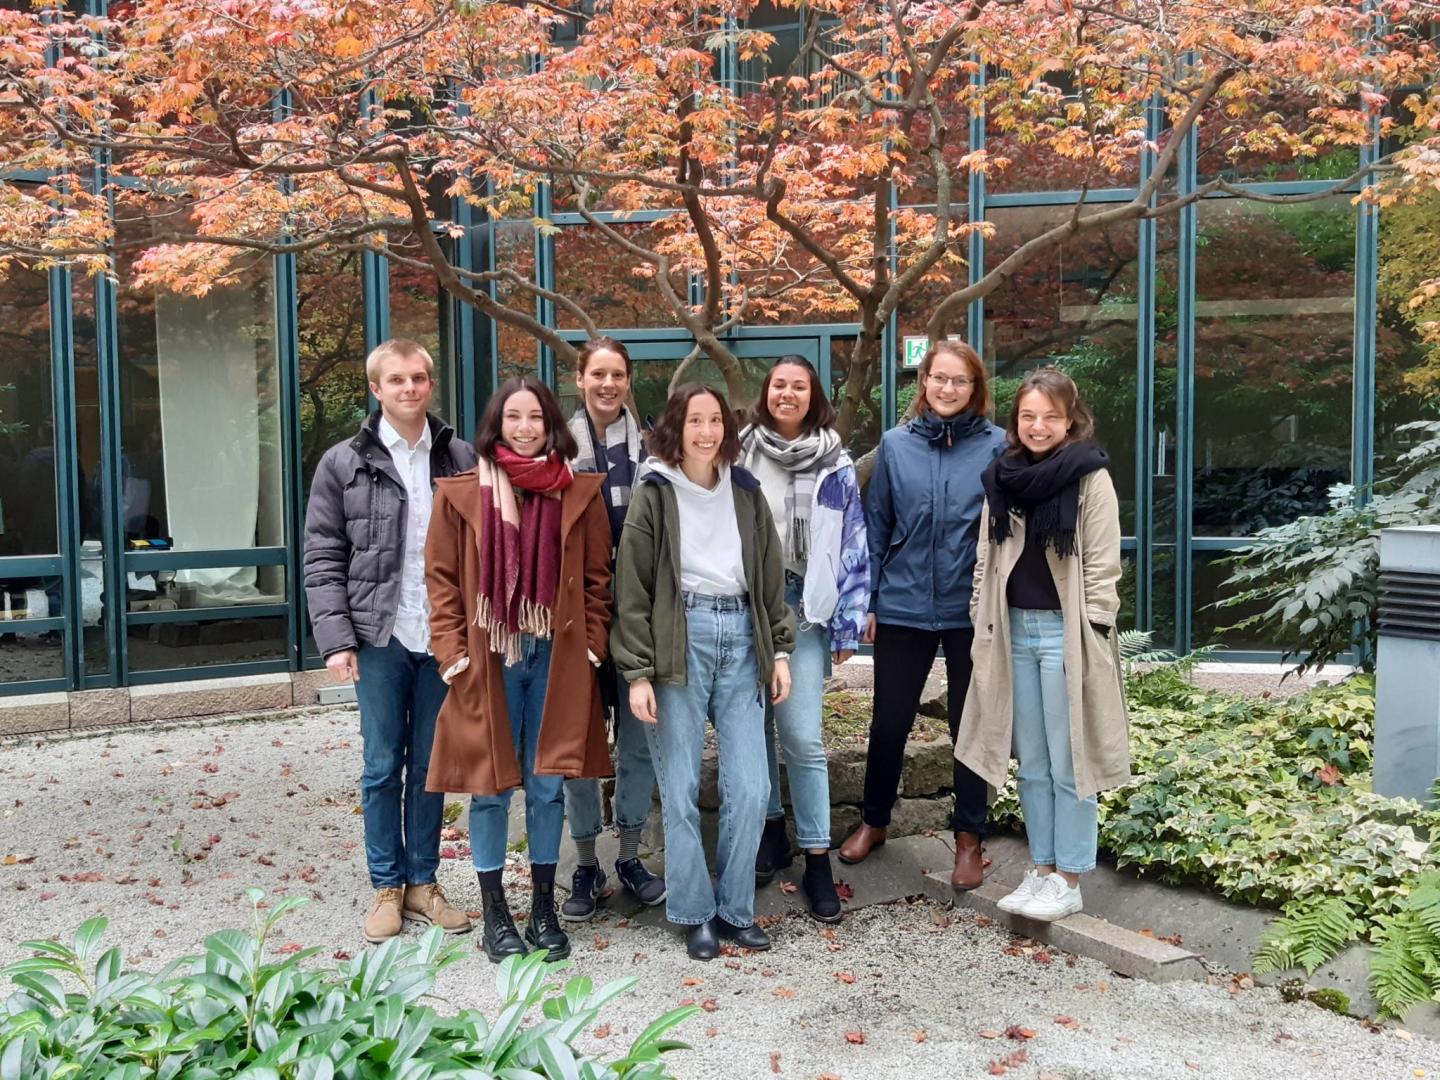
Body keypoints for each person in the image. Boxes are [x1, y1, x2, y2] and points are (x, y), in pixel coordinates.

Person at [423, 377, 615, 963]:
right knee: (488, 788)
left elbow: (599, 581)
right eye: (514, 417)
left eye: (536, 417)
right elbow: (442, 581)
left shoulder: (580, 492)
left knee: (548, 782)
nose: (526, 427)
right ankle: (494, 914)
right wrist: (452, 655)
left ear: (552, 424)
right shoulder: (461, 494)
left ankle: (542, 906)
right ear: (497, 425)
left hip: (556, 658)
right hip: (490, 656)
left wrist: (591, 646)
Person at [613, 384, 796, 960]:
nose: (707, 431)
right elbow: (633, 588)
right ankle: (694, 911)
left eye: (715, 420)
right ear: (677, 426)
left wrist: (781, 651)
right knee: (681, 784)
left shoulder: (745, 489)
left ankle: (735, 909)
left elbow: (769, 577)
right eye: (695, 420)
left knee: (752, 785)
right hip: (678, 640)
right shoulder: (655, 490)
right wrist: (638, 672)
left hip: (742, 637)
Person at [303, 338, 476, 944]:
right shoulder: (342, 463)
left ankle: (423, 883)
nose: (410, 389)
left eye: (419, 378)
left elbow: (481, 549)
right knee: (382, 765)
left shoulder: (459, 456)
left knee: (430, 766)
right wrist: (335, 639)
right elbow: (322, 556)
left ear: (431, 384)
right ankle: (386, 885)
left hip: (442, 635)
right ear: (376, 389)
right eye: (397, 380)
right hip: (378, 635)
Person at [956, 368, 1129, 921]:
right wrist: (979, 614)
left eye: (1050, 416)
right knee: (1029, 760)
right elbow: (987, 554)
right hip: (1011, 632)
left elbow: (1103, 563)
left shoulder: (1089, 476)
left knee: (1070, 758)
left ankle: (1071, 877)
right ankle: (1043, 867)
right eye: (1028, 415)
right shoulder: (1000, 476)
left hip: (1066, 635)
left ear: (1070, 419)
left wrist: (1096, 626)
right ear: (1016, 421)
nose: (1038, 425)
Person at [837, 340, 1007, 889]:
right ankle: (875, 820)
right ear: (924, 382)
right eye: (939, 378)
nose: (948, 389)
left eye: (960, 381)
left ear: (975, 388)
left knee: (969, 725)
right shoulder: (894, 445)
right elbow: (877, 523)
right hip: (904, 605)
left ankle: (968, 838)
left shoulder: (999, 447)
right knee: (889, 720)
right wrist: (870, 600)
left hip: (970, 609)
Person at [740, 356, 868, 923]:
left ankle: (817, 857)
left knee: (802, 735)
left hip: (807, 607)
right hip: (746, 605)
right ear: (765, 392)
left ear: (812, 395)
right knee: (756, 725)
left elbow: (853, 542)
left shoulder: (835, 460)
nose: (786, 394)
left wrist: (850, 619)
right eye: (778, 385)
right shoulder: (738, 451)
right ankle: (771, 833)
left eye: (798, 386)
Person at [561, 337, 666, 920]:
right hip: (577, 619)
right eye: (597, 373)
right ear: (581, 378)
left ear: (628, 381)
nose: (607, 384)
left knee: (636, 741)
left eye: (617, 375)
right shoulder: (558, 449)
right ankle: (584, 862)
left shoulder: (652, 448)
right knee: (580, 747)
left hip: (638, 618)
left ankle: (628, 853)